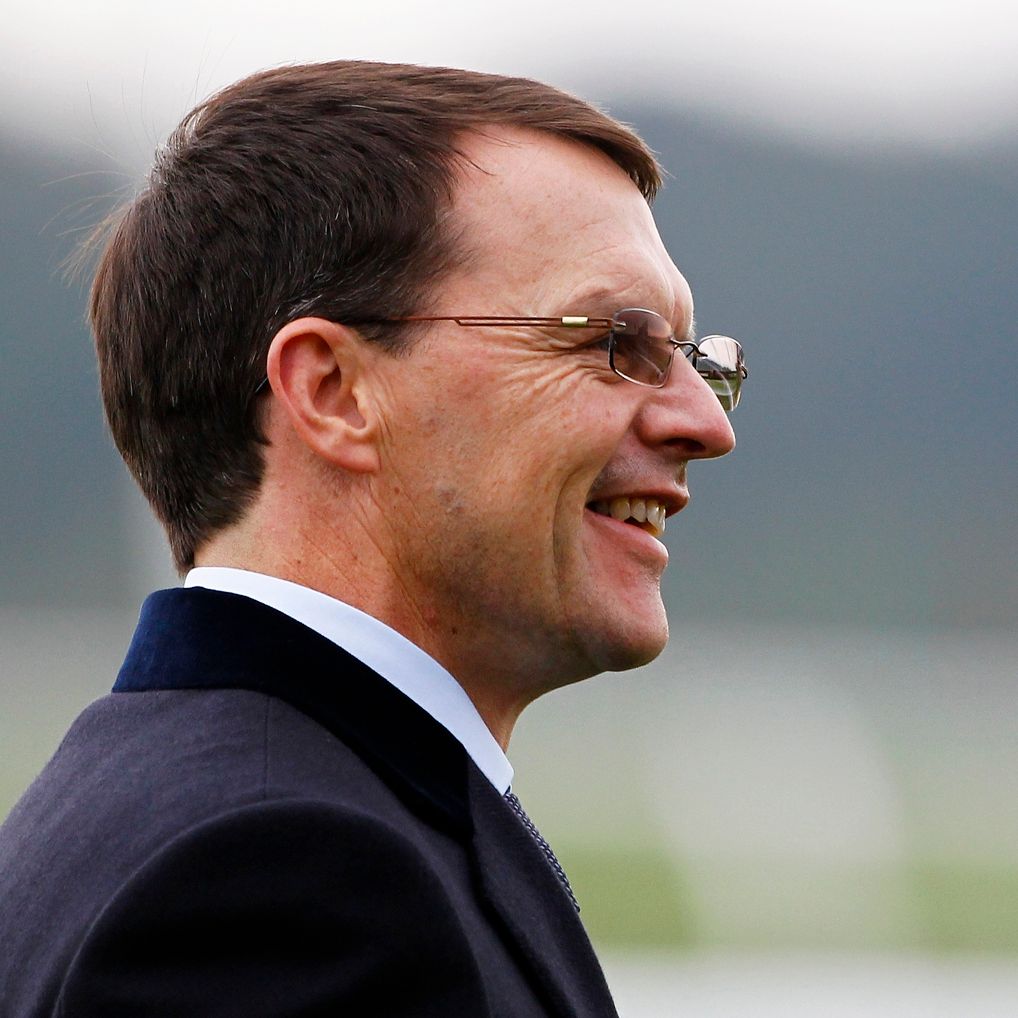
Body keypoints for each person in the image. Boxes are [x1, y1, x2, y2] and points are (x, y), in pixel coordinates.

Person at [0, 61, 744, 1017]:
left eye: (698, 361)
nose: (705, 424)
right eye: (611, 343)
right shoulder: (281, 877)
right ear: (334, 392)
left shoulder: (175, 805)